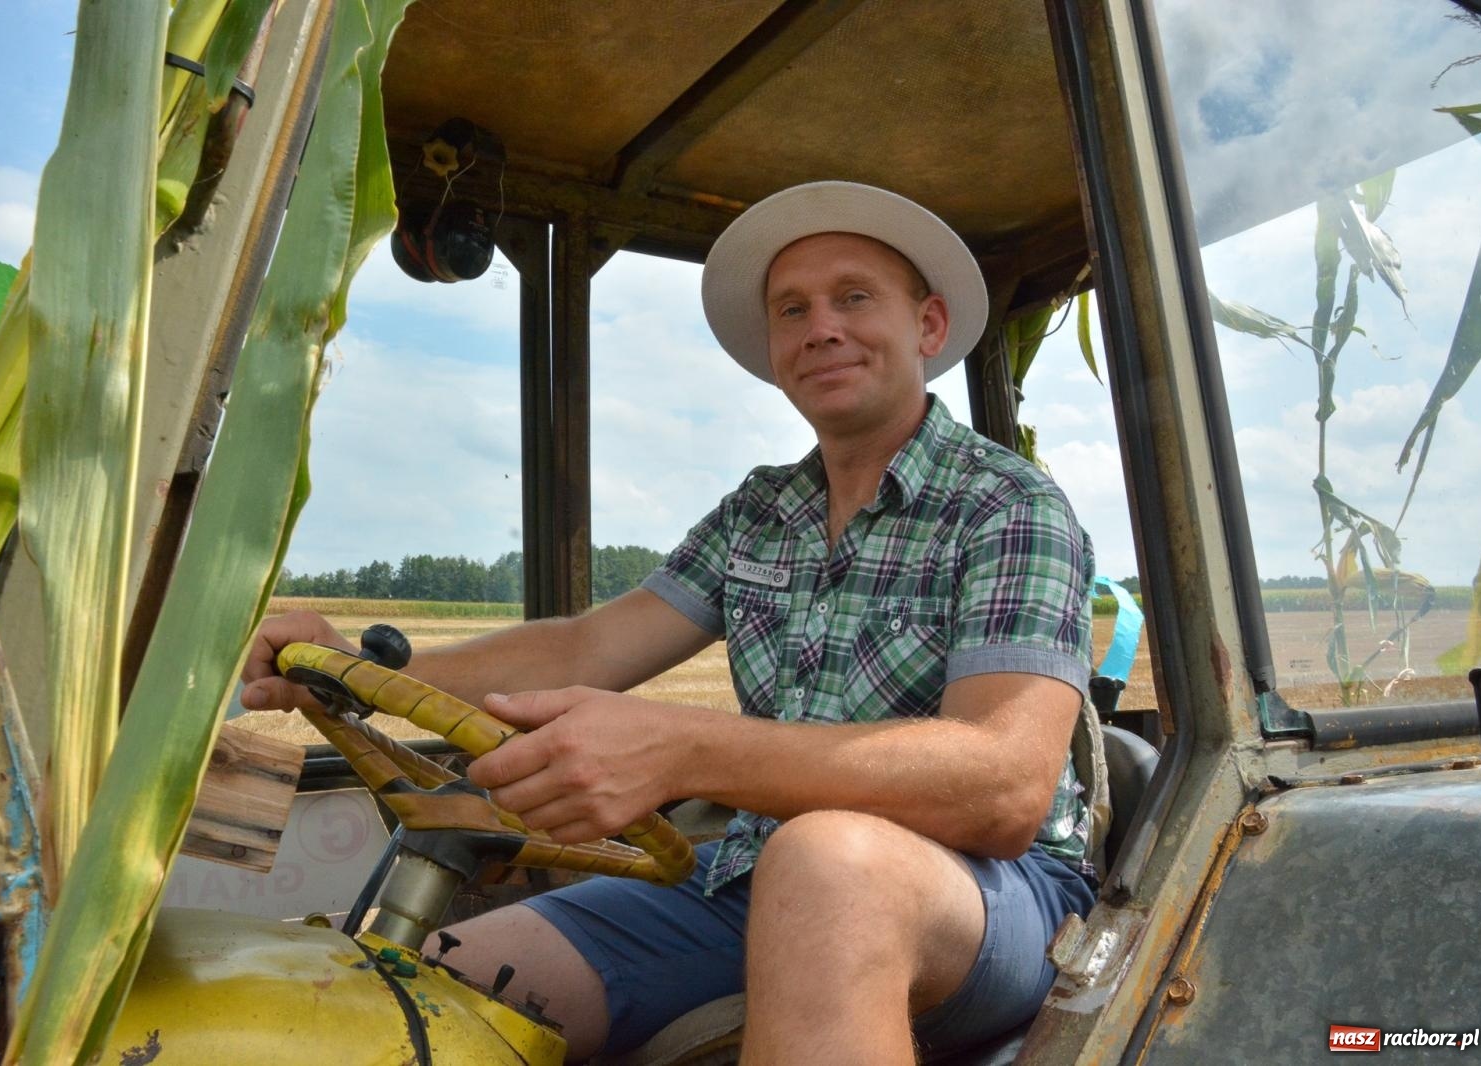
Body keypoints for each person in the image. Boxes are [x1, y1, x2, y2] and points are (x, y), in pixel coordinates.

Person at [241, 181, 1101, 1065]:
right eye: (792, 309)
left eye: (853, 297)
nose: (822, 327)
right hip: (753, 881)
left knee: (829, 863)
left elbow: (1004, 789)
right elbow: (586, 646)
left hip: (995, 899)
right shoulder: (763, 511)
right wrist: (358, 667)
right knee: (427, 987)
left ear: (926, 327)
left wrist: (684, 749)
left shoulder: (1007, 506)